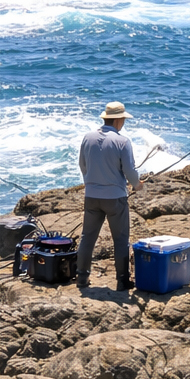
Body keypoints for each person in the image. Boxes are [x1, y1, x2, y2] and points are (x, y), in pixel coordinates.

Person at [76, 102, 142, 291]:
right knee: (120, 240)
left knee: (87, 237)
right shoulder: (123, 142)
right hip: (115, 199)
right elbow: (130, 171)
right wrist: (137, 185)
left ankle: (81, 278)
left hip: (91, 196)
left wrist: (91, 183)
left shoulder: (87, 138)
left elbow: (83, 165)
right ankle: (122, 281)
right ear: (119, 120)